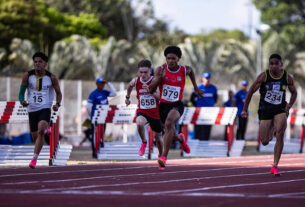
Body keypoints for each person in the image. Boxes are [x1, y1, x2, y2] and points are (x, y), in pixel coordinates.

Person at [241, 54, 297, 176]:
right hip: (265, 110)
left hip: (280, 109)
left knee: (280, 133)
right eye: (271, 63)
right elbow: (250, 91)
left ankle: (275, 165)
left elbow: (294, 93)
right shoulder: (264, 76)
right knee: (265, 141)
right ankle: (272, 130)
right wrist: (244, 109)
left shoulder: (287, 77)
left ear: (281, 64)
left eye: (276, 63)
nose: (273, 66)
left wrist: (289, 105)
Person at [149, 46, 202, 170]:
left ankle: (163, 157)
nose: (171, 61)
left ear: (178, 59)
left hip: (177, 105)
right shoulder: (160, 70)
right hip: (163, 106)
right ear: (165, 59)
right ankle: (180, 139)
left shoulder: (185, 70)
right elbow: (151, 89)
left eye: (174, 58)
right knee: (168, 131)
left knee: (168, 124)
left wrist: (195, 87)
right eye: (168, 58)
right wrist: (159, 79)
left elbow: (191, 72)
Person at [18, 51, 62, 169]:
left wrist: (57, 104)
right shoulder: (27, 75)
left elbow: (59, 94)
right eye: (35, 62)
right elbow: (21, 93)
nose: (37, 64)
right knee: (35, 136)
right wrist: (22, 101)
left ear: (45, 64)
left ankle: (34, 159)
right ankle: (46, 130)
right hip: (32, 110)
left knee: (41, 129)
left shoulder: (52, 78)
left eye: (40, 62)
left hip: (45, 108)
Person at [125, 59, 163, 158]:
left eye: (145, 72)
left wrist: (151, 91)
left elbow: (160, 97)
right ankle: (144, 142)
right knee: (139, 122)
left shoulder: (155, 81)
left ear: (150, 71)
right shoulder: (136, 80)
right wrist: (127, 98)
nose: (143, 74)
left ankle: (162, 156)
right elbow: (129, 86)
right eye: (141, 72)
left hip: (155, 113)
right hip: (143, 111)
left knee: (158, 138)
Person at [87, 77, 117, 158]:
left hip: (104, 117)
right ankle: (94, 152)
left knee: (102, 133)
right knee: (95, 134)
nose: (102, 85)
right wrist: (92, 116)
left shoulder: (105, 92)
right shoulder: (93, 94)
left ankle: (100, 147)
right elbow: (89, 107)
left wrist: (109, 84)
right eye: (101, 83)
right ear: (97, 84)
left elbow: (114, 93)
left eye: (104, 83)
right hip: (96, 118)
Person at [190, 72, 218, 140]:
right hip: (199, 112)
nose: (207, 80)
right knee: (198, 128)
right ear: (203, 79)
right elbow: (192, 98)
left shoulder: (214, 88)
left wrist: (210, 105)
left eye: (208, 78)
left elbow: (215, 98)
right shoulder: (198, 87)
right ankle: (196, 143)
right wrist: (196, 106)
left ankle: (206, 143)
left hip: (209, 112)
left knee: (207, 128)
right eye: (206, 78)